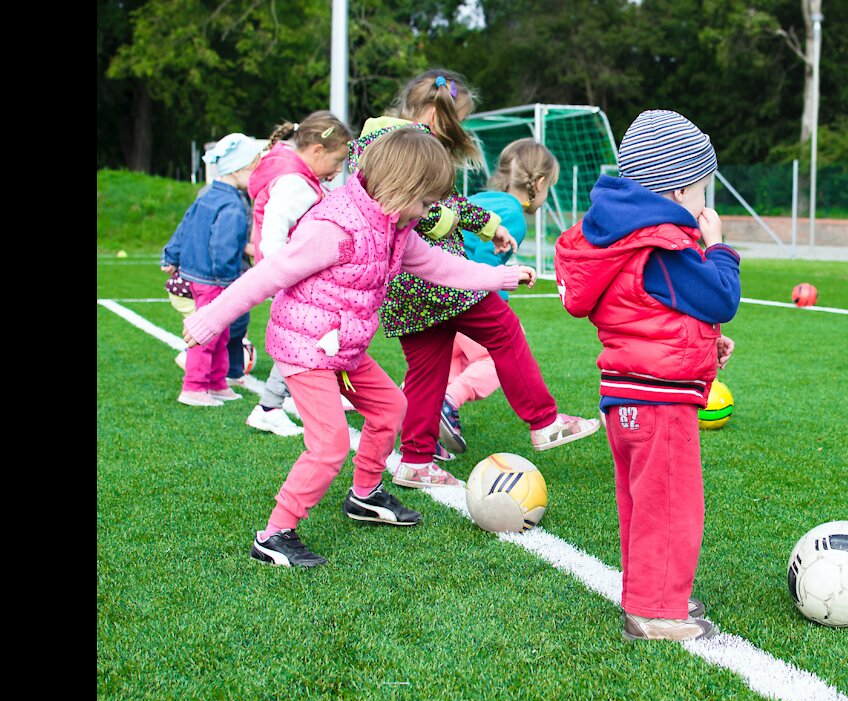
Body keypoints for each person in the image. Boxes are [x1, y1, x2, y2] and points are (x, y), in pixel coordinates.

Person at [181, 127, 537, 568]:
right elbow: (268, 275)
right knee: (329, 444)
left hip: (343, 348)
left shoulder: (395, 226)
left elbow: (439, 266)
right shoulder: (335, 228)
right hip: (306, 348)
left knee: (392, 408)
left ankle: (365, 496)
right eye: (427, 202)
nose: (430, 213)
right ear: (401, 188)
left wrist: (501, 276)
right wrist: (210, 319)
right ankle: (273, 535)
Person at [351, 69, 599, 490]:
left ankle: (414, 460)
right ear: (434, 113)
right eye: (456, 120)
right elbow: (417, 209)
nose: (457, 131)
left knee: (428, 371)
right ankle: (544, 421)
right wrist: (454, 225)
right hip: (436, 279)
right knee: (504, 330)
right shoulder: (405, 144)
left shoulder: (380, 140)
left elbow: (446, 200)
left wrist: (489, 227)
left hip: (404, 287)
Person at [554, 110, 741, 641]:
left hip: (628, 395)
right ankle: (656, 612)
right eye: (704, 189)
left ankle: (652, 593)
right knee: (670, 506)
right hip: (658, 403)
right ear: (680, 189)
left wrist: (705, 345)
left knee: (644, 504)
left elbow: (650, 313)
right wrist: (719, 246)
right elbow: (721, 295)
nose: (707, 203)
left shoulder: (624, 238)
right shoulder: (663, 244)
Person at [436, 138, 560, 462]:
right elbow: (484, 260)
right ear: (540, 183)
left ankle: (426, 427)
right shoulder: (514, 217)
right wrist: (501, 292)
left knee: (448, 364)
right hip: (468, 299)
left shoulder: (478, 199)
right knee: (497, 359)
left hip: (437, 296)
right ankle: (449, 401)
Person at [244, 111, 354, 438]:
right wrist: (286, 275)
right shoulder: (295, 184)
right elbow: (274, 235)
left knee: (310, 337)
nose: (338, 172)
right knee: (303, 340)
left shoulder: (299, 177)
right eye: (337, 161)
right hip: (292, 278)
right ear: (317, 152)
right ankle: (269, 407)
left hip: (294, 275)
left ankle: (283, 401)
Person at [162, 132, 266, 407]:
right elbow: (223, 247)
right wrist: (230, 282)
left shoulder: (208, 194)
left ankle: (216, 383)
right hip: (215, 279)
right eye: (254, 168)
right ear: (240, 169)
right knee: (208, 333)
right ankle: (194, 387)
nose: (256, 175)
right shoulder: (232, 204)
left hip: (201, 275)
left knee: (221, 332)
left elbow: (184, 225)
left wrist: (170, 254)